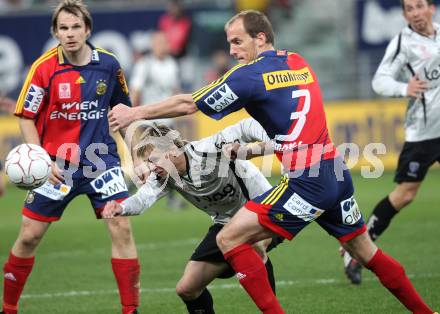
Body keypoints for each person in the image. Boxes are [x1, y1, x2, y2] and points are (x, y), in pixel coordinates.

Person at [108, 10, 436, 314]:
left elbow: (190, 103)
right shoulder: (297, 61)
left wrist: (135, 112)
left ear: (260, 38)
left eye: (238, 41)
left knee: (228, 238)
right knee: (366, 253)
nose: (233, 50)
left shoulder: (249, 76)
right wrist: (256, 149)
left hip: (308, 182)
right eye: (230, 43)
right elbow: (289, 121)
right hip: (335, 172)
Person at [1, 1, 140, 314]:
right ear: (55, 32)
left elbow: (123, 113)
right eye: (63, 28)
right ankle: (8, 308)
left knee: (121, 227)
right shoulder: (43, 68)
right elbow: (26, 116)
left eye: (76, 26)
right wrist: (41, 159)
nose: (70, 33)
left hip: (101, 160)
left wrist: (136, 156)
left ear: (87, 29)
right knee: (28, 236)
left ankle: (131, 310)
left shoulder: (109, 64)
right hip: (56, 166)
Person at [103, 119, 281, 314]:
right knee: (187, 289)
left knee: (253, 246)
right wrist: (121, 208)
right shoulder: (164, 176)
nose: (152, 167)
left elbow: (245, 126)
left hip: (264, 210)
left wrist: (277, 141)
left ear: (172, 150)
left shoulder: (207, 148)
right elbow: (143, 199)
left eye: (153, 159)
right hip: (225, 225)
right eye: (148, 162)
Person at [341, 0, 440, 286]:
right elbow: (379, 80)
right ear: (404, 15)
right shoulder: (403, 43)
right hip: (422, 134)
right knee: (405, 195)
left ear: (431, 8)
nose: (416, 13)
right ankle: (357, 250)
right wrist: (403, 88)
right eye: (409, 9)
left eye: (419, 6)